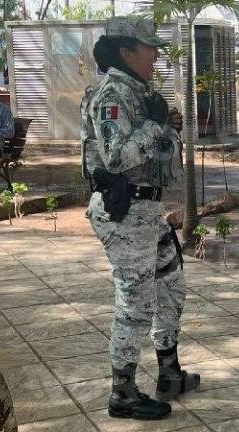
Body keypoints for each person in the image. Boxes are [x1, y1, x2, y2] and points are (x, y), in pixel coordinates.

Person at [81, 16, 196, 420]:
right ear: (126, 51)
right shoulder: (112, 94)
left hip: (147, 212)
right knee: (135, 303)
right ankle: (123, 393)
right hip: (124, 212)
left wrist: (167, 128)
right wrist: (153, 126)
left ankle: (169, 372)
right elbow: (115, 158)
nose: (156, 55)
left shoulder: (139, 93)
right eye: (150, 48)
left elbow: (155, 146)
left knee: (172, 284)